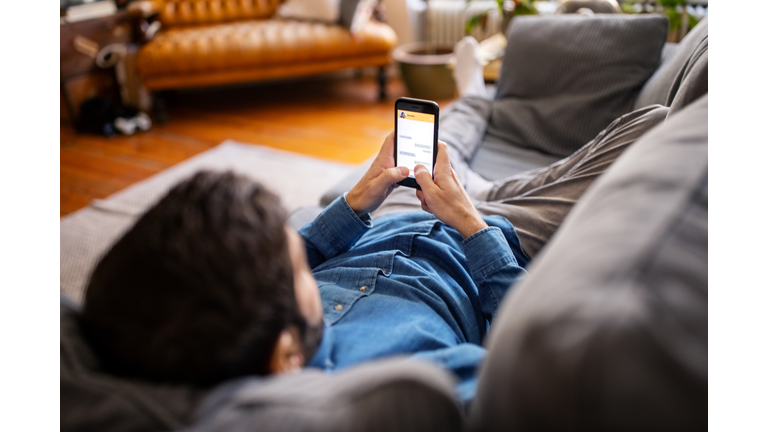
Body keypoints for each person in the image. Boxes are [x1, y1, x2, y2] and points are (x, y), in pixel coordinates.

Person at [80, 39, 669, 402]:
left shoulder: (233, 312)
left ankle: (473, 98)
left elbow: (291, 256)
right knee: (652, 123)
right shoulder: (410, 388)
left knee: (440, 148)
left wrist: (362, 197)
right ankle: (476, 101)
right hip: (487, 238)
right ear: (285, 355)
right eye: (299, 270)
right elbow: (529, 345)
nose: (306, 255)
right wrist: (470, 225)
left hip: (406, 210)